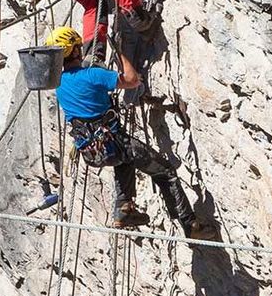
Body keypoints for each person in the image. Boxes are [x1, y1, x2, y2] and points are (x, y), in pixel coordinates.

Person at [49, 26, 194, 229]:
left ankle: (124, 208)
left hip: (91, 152)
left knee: (125, 160)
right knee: (165, 172)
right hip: (114, 143)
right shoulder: (92, 75)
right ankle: (191, 225)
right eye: (78, 47)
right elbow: (132, 80)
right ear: (74, 50)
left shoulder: (58, 84)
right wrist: (121, 53)